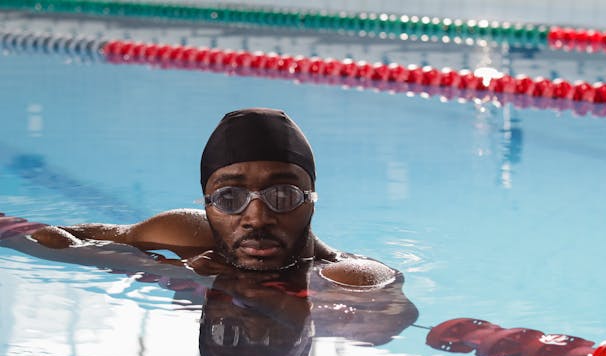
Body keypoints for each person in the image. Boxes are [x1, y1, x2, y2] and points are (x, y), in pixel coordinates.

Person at [24, 108, 397, 289]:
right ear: (206, 202)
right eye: (229, 197)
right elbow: (54, 235)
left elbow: (381, 318)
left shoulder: (349, 277)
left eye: (282, 194)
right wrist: (147, 263)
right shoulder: (182, 233)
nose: (256, 217)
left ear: (312, 199)